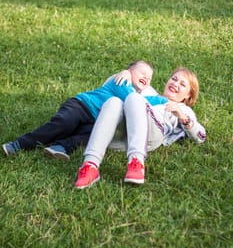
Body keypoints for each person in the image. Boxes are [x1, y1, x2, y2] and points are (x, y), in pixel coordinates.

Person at [2, 60, 166, 160]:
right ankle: (19, 144)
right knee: (62, 125)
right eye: (142, 72)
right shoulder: (122, 81)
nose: (146, 78)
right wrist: (162, 100)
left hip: (94, 120)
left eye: (149, 77)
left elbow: (144, 101)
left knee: (91, 137)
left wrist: (165, 101)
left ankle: (60, 147)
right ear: (129, 72)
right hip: (80, 106)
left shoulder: (135, 96)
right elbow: (141, 100)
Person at [75, 67, 206, 189]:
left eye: (182, 84)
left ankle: (137, 162)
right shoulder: (148, 91)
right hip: (124, 136)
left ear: (188, 95)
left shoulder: (183, 109)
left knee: (134, 97)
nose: (175, 84)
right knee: (113, 101)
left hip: (152, 135)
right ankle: (90, 165)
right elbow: (109, 87)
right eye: (174, 79)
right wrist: (126, 73)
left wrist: (183, 117)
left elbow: (201, 136)